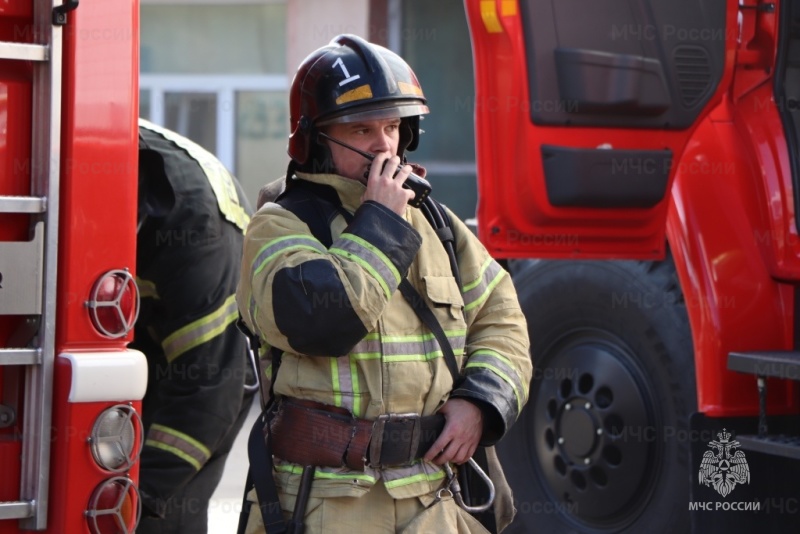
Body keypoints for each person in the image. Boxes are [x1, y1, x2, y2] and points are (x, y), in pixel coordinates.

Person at [236, 34, 532, 534]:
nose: (383, 145)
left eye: (393, 126)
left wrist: (480, 403)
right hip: (324, 501)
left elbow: (503, 320)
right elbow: (322, 323)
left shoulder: (437, 224)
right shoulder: (279, 225)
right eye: (361, 128)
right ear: (314, 138)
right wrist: (380, 223)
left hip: (434, 499)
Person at [135, 119, 255, 533]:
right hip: (143, 332)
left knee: (164, 514)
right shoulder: (90, 140)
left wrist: (136, 497)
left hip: (207, 376)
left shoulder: (196, 236)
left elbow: (207, 394)